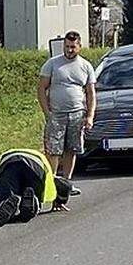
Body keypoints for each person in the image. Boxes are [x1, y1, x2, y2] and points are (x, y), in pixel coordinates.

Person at [38, 30, 96, 198]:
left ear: (79, 46)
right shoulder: (52, 64)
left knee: (71, 149)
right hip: (56, 114)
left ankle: (66, 183)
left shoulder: (86, 66)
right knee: (53, 151)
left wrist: (90, 116)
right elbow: (41, 88)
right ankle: (52, 183)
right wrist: (47, 112)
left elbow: (91, 93)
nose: (69, 50)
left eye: (73, 47)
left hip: (77, 114)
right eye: (67, 46)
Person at [0, 149, 73, 226]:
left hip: (9, 164)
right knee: (33, 193)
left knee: (5, 199)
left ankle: (5, 203)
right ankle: (33, 204)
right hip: (35, 167)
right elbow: (65, 184)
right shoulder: (46, 168)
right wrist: (60, 200)